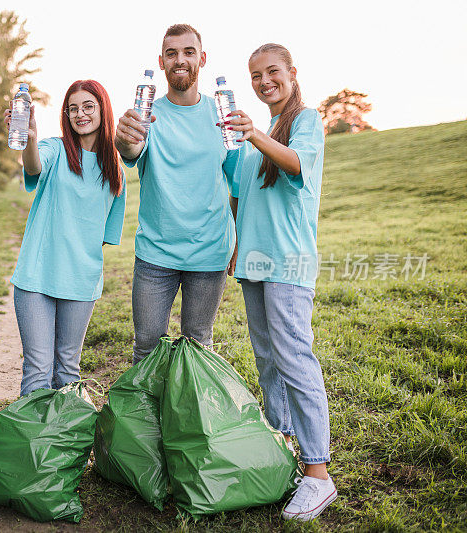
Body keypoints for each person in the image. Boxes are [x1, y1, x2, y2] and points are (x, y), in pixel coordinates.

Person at [224, 43, 335, 521]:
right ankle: (283, 446)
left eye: (272, 72)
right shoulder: (263, 131)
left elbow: (295, 164)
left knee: (293, 356)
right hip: (254, 261)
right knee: (267, 357)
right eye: (255, 75)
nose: (263, 81)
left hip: (288, 263)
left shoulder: (305, 120)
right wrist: (235, 246)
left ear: (292, 73)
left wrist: (253, 136)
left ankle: (318, 474)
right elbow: (240, 195)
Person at [114, 24, 238, 364]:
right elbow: (130, 150)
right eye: (171, 53)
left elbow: (238, 183)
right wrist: (124, 140)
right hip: (156, 254)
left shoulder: (223, 114)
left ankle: (190, 417)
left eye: (188, 52)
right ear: (162, 61)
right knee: (147, 346)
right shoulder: (147, 114)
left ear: (202, 58)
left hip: (210, 252)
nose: (179, 60)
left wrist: (238, 239)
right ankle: (147, 416)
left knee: (198, 347)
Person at [5, 80, 126, 396]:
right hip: (37, 279)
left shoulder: (114, 168)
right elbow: (33, 164)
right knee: (38, 372)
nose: (80, 114)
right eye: (73, 108)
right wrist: (29, 139)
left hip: (81, 284)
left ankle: (63, 444)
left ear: (102, 110)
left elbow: (101, 236)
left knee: (68, 371)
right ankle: (31, 445)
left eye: (88, 106)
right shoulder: (55, 149)